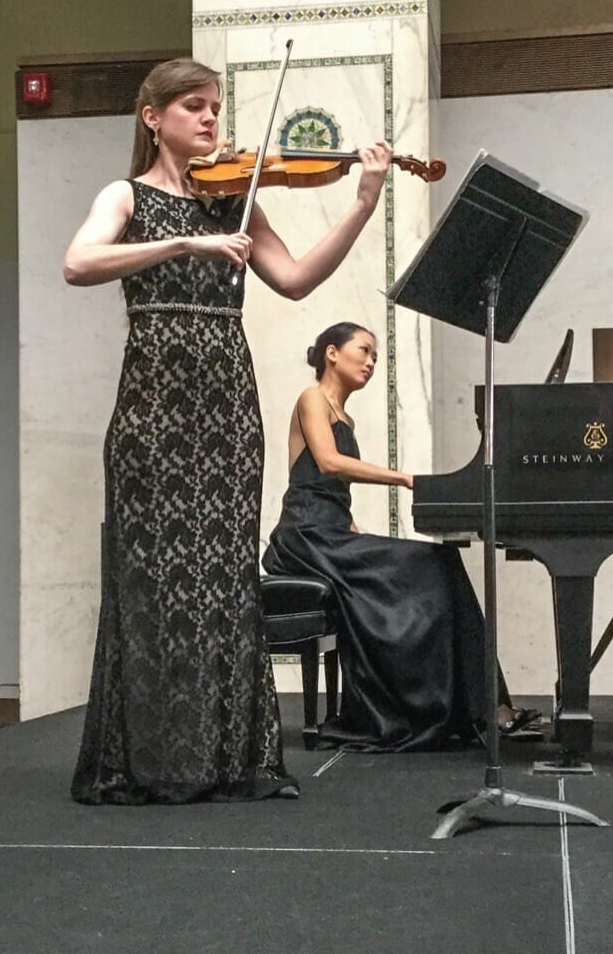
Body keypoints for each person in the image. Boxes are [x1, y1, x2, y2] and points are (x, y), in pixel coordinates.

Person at [62, 59, 395, 803]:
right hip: (152, 409)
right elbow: (78, 263)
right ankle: (148, 760)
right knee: (152, 582)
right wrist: (185, 245)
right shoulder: (127, 195)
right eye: (193, 106)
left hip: (227, 410)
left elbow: (297, 280)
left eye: (215, 106)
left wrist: (363, 202)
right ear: (153, 117)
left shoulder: (235, 200)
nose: (211, 118)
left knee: (222, 581)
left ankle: (226, 759)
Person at [262, 322, 539, 751]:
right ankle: (469, 708)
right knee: (434, 562)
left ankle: (479, 706)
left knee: (442, 563)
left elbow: (332, 493)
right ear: (332, 353)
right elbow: (329, 463)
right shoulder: (311, 398)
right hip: (305, 536)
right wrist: (405, 478)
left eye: (376, 355)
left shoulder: (346, 418)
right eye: (364, 350)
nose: (371, 362)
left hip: (331, 533)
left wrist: (356, 532)